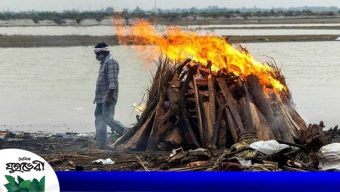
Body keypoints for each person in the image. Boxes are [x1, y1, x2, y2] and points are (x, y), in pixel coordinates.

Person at [93, 42, 124, 149]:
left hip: (107, 97)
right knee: (98, 118)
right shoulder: (104, 63)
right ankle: (102, 144)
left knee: (108, 119)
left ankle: (127, 134)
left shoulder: (111, 62)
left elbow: (113, 82)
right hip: (100, 98)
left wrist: (109, 96)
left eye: (98, 53)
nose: (96, 56)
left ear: (104, 52)